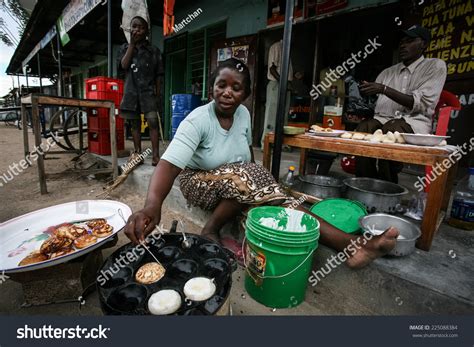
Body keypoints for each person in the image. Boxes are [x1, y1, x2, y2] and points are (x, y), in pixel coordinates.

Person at [124, 58, 399, 269]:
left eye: (236, 87)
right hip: (198, 181)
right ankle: (351, 245)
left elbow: (246, 156)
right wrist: (152, 205)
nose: (227, 93)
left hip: (236, 182)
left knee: (275, 195)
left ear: (246, 94)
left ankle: (352, 248)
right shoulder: (197, 120)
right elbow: (169, 165)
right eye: (221, 85)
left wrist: (261, 189)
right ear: (212, 88)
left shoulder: (243, 114)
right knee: (257, 180)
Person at [356, 25, 447, 183]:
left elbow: (420, 103)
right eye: (401, 42)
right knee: (364, 129)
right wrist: (366, 91)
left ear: (423, 44)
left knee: (392, 131)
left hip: (414, 122)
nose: (403, 45)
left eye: (410, 41)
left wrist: (384, 89)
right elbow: (373, 99)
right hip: (383, 119)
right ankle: (365, 183)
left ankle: (387, 186)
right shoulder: (387, 72)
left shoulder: (435, 66)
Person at [118, 16, 164, 166]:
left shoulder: (154, 51)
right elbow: (124, 66)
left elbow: (159, 75)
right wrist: (131, 44)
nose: (137, 30)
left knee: (152, 121)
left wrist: (157, 95)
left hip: (148, 93)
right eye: (134, 26)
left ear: (147, 31)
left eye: (141, 27)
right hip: (131, 93)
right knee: (135, 125)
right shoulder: (125, 48)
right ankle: (138, 153)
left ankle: (156, 155)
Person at [260, 39, 293, 150]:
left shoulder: (287, 48)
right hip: (276, 83)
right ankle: (266, 144)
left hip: (285, 84)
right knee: (271, 114)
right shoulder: (276, 46)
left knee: (283, 115)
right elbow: (272, 69)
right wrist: (283, 82)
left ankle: (281, 143)